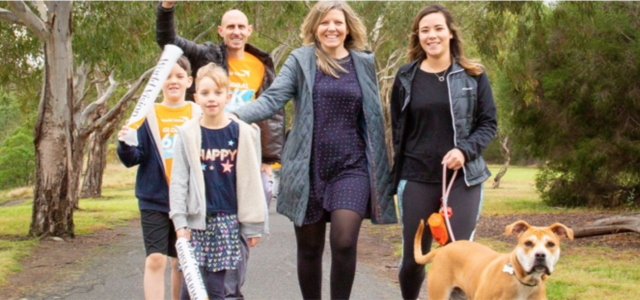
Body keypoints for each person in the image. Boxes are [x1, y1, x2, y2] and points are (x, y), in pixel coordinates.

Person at [232, 2, 396, 299]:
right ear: (314, 28)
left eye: (337, 22)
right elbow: (272, 100)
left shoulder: (363, 62)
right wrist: (232, 117)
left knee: (344, 241)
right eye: (324, 23)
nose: (331, 28)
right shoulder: (301, 59)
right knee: (309, 250)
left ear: (347, 27)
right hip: (307, 168)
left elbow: (374, 117)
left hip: (352, 166)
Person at [156, 3, 283, 297]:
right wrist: (166, 8)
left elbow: (273, 113)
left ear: (249, 30)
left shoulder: (260, 63)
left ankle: (231, 286)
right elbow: (169, 41)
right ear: (221, 31)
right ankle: (228, 289)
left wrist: (269, 158)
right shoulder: (208, 56)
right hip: (207, 144)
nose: (236, 32)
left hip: (245, 148)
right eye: (231, 27)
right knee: (199, 282)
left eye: (242, 27)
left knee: (246, 221)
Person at [389, 4, 497, 299]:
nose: (431, 35)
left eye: (438, 28)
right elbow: (398, 130)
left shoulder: (473, 75)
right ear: (418, 36)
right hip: (416, 177)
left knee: (458, 256)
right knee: (414, 258)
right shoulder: (405, 77)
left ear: (450, 33)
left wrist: (464, 150)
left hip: (463, 178)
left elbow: (488, 124)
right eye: (425, 30)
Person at [169, 62, 266, 300]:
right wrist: (180, 222)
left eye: (217, 92)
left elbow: (251, 182)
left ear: (228, 96)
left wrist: (253, 225)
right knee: (189, 287)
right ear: (196, 97)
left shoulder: (243, 132)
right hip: (195, 223)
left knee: (215, 287)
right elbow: (179, 180)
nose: (211, 99)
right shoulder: (187, 133)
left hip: (226, 222)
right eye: (205, 93)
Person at [117, 56, 202, 300]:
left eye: (178, 76)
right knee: (155, 259)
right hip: (154, 199)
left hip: (188, 202)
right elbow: (132, 157)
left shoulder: (198, 113)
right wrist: (125, 143)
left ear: (189, 81)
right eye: (167, 76)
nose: (173, 81)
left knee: (181, 261)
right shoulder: (146, 115)